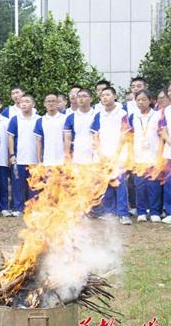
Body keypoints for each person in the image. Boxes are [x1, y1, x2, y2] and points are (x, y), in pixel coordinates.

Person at [90, 86, 132, 225]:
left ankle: (123, 213)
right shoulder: (99, 115)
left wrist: (116, 153)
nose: (104, 97)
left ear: (114, 96)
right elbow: (95, 135)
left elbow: (124, 135)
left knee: (119, 183)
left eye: (107, 95)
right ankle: (109, 212)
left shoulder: (122, 113)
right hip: (102, 156)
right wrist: (100, 152)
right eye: (102, 96)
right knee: (105, 184)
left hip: (118, 155)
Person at [128, 89, 162, 223]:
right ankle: (141, 211)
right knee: (140, 185)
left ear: (150, 100)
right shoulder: (133, 116)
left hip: (153, 156)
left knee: (153, 186)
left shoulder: (158, 115)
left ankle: (154, 212)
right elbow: (128, 137)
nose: (141, 102)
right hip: (138, 157)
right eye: (138, 100)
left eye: (144, 99)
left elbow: (162, 135)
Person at [7, 94, 40, 216]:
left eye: (27, 101)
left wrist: (40, 157)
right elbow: (10, 137)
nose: (24, 104)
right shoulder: (15, 119)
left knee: (34, 185)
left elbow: (40, 139)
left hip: (34, 159)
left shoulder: (39, 119)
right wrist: (11, 154)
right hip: (19, 158)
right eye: (22, 102)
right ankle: (18, 208)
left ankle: (34, 208)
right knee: (17, 185)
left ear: (33, 104)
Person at [64, 88, 97, 164]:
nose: (81, 99)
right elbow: (67, 139)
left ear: (91, 99)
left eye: (84, 96)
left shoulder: (97, 115)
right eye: (79, 96)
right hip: (77, 157)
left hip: (94, 159)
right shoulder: (70, 117)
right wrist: (67, 156)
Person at [35, 93, 66, 166]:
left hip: (63, 162)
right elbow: (38, 142)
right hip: (47, 161)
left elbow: (67, 140)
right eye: (48, 101)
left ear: (57, 103)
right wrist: (39, 161)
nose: (51, 103)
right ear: (44, 104)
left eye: (53, 101)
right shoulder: (40, 120)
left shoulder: (65, 119)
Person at [160, 86, 171, 224]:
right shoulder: (166, 111)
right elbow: (162, 130)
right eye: (169, 91)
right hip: (169, 153)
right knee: (169, 183)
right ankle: (169, 211)